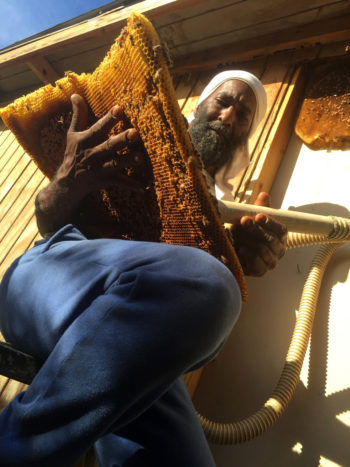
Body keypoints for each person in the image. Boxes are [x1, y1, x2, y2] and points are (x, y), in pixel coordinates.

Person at [0, 71, 286, 466]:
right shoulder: (133, 135)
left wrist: (236, 261)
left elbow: (185, 319)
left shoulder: (221, 215)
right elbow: (48, 220)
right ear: (201, 103)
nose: (229, 117)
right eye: (225, 102)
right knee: (210, 283)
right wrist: (66, 180)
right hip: (45, 279)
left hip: (122, 348)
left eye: (243, 115)